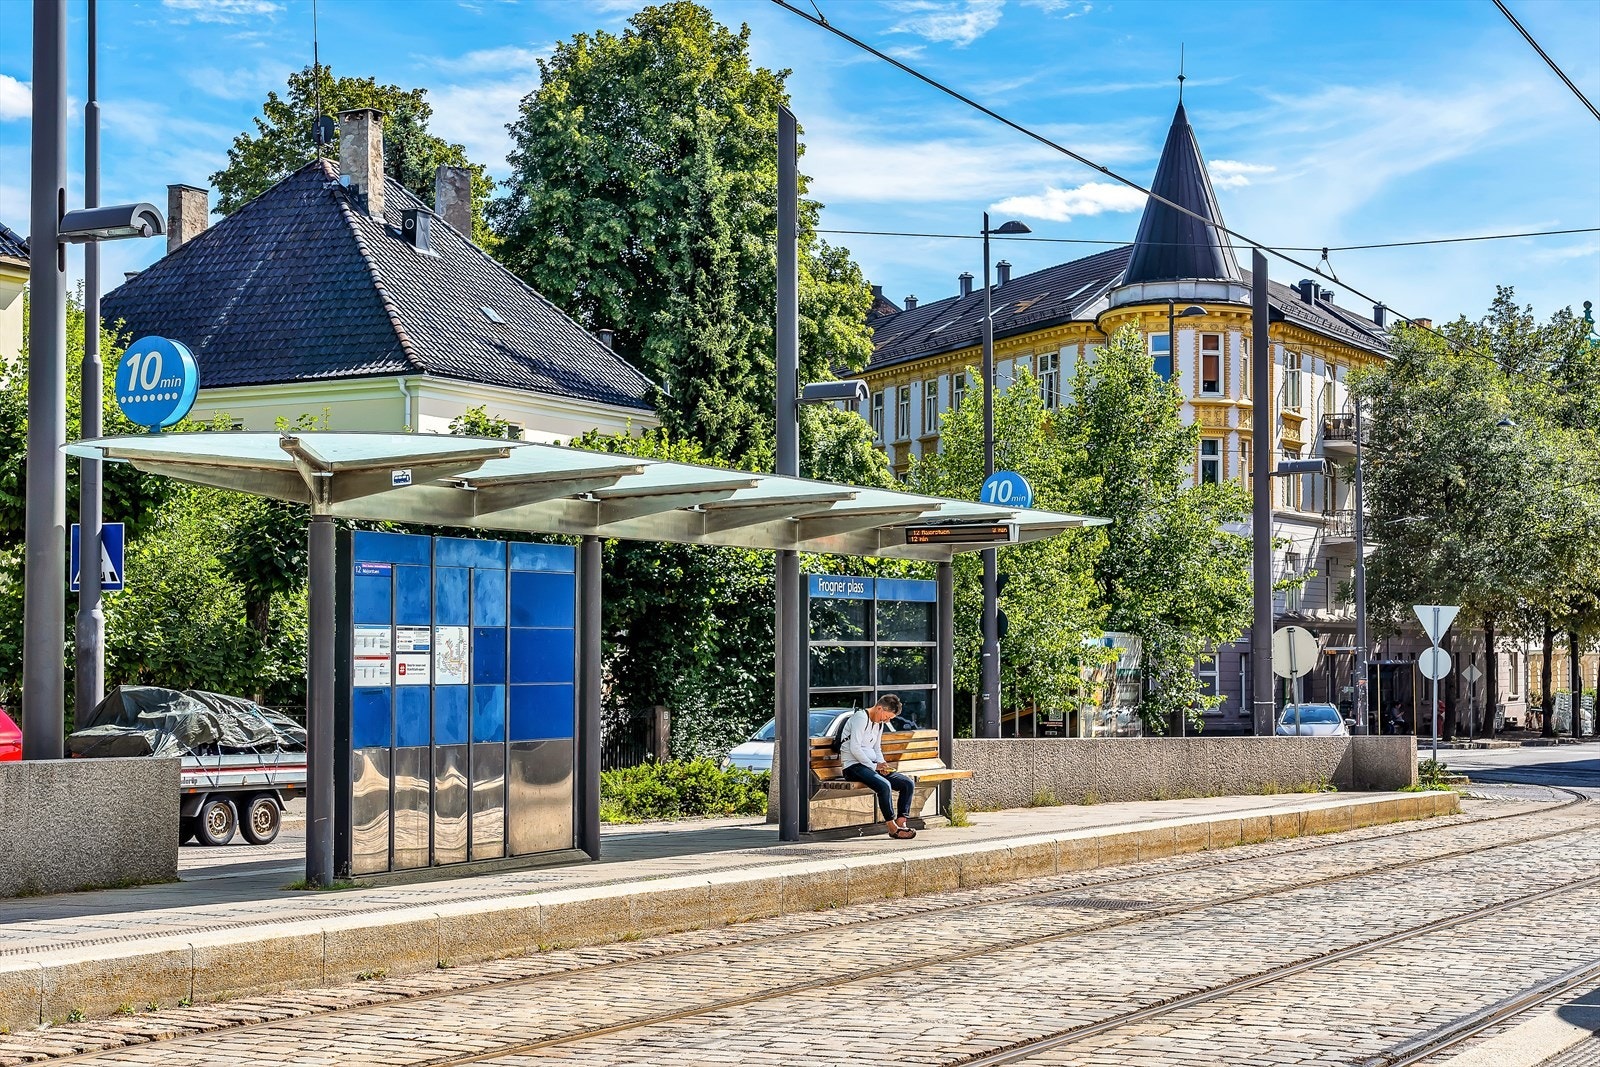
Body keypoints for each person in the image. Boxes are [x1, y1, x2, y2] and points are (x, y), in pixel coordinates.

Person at [839, 695, 916, 839]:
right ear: (879, 708)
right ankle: (892, 828)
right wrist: (874, 766)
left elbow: (876, 748)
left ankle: (901, 823)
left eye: (889, 719)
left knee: (907, 783)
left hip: (871, 766)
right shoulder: (861, 718)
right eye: (886, 717)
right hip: (853, 767)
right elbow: (855, 748)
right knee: (884, 785)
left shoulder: (878, 724)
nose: (886, 721)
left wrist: (882, 764)